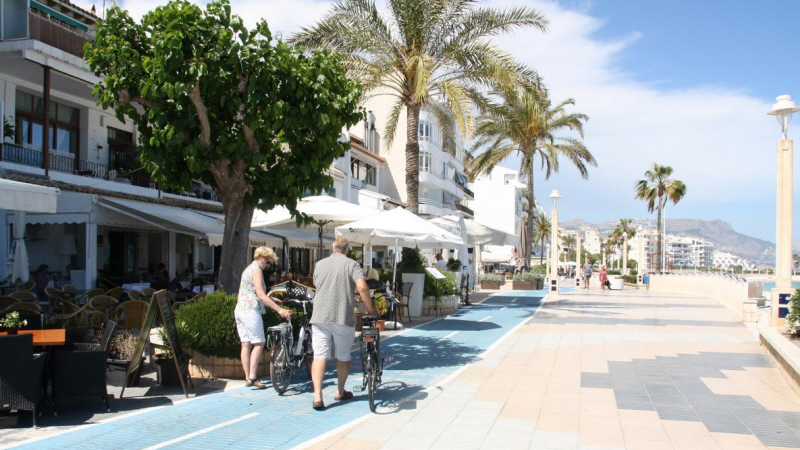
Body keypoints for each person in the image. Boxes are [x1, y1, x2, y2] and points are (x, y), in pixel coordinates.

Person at [311, 236, 375, 410]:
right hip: (342, 316)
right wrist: (370, 310)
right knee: (343, 355)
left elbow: (318, 284)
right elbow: (362, 287)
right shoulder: (352, 264)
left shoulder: (319, 264)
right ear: (347, 249)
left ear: (332, 247)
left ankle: (317, 396)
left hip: (320, 315)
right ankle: (340, 391)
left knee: (319, 355)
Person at [236, 247, 293, 389]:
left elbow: (252, 292)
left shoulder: (247, 269)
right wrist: (279, 309)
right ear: (261, 258)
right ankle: (253, 377)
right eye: (267, 262)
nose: (267, 265)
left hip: (240, 309)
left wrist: (272, 299)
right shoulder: (257, 271)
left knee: (246, 344)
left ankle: (248, 377)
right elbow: (261, 295)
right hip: (251, 310)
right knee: (259, 343)